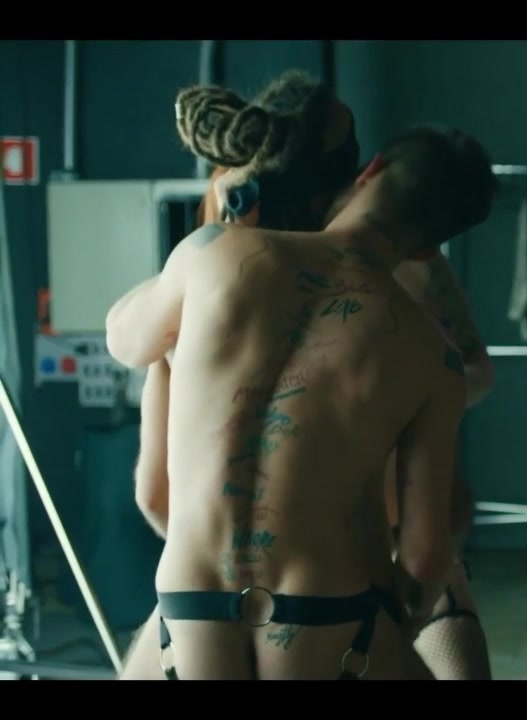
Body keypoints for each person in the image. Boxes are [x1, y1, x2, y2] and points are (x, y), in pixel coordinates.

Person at [118, 73, 497, 680]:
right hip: (335, 622)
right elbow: (424, 558)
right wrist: (394, 623)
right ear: (430, 250)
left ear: (370, 172)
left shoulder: (213, 255)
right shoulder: (433, 356)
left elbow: (126, 343)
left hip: (188, 616)